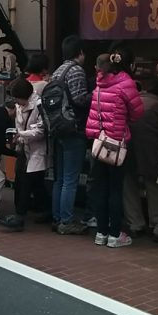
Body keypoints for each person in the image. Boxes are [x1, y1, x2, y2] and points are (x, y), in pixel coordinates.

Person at [86, 51, 144, 248]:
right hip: (117, 144)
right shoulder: (126, 84)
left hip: (99, 143)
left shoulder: (98, 87)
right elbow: (138, 112)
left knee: (101, 188)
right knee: (116, 189)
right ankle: (114, 234)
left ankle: (101, 232)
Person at [51, 35, 92, 235]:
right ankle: (66, 221)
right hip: (72, 127)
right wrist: (98, 94)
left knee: (60, 177)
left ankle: (58, 217)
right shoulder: (76, 70)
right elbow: (80, 99)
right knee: (70, 178)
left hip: (58, 126)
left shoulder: (58, 71)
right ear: (80, 52)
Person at [124, 78, 158, 241]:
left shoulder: (133, 100)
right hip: (151, 152)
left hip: (128, 149)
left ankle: (135, 224)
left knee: (129, 185)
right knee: (155, 187)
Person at [1, 77, 48, 231]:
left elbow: (41, 131)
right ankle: (42, 210)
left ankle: (20, 216)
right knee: (26, 181)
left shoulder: (39, 106)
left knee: (28, 181)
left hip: (36, 149)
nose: (16, 102)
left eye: (18, 99)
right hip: (24, 148)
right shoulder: (21, 104)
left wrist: (21, 134)